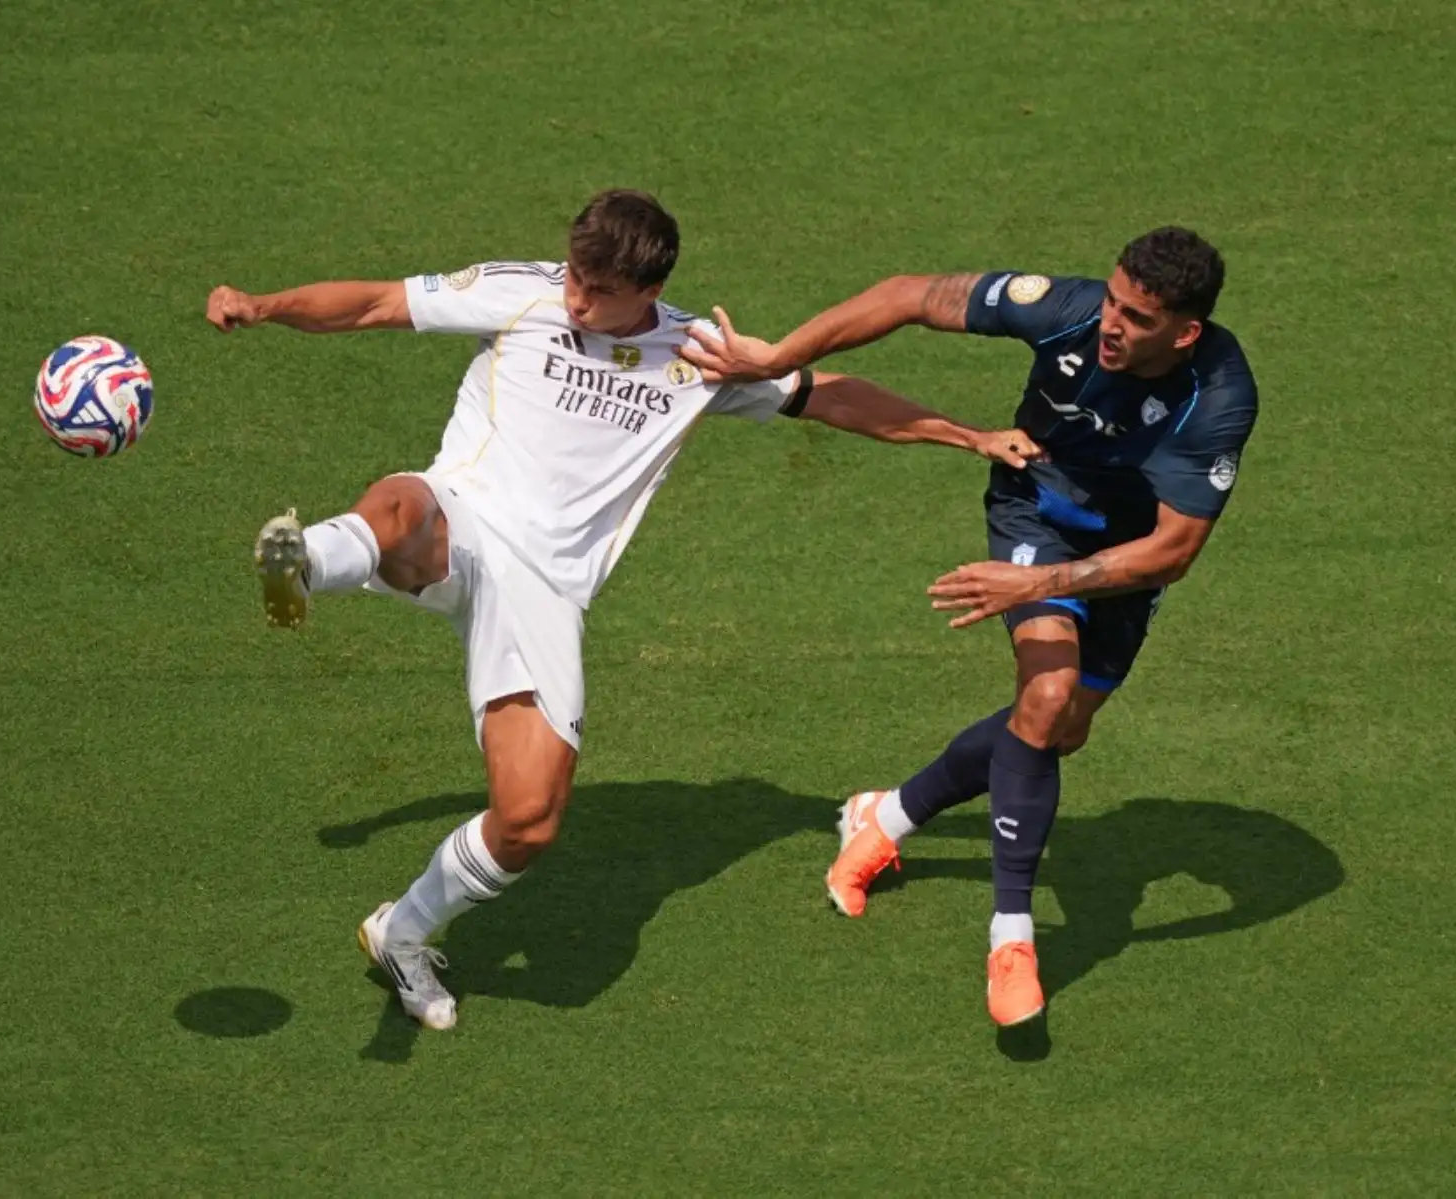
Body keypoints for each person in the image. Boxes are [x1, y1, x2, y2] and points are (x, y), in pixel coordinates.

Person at [204, 189, 1033, 1030]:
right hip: (464, 516)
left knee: (527, 821)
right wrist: (263, 306)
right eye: (573, 276)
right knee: (403, 507)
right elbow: (379, 302)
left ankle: (402, 931)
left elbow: (832, 396)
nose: (574, 299)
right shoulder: (521, 291)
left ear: (648, 289)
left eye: (596, 291)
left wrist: (969, 436)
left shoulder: (699, 358)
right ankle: (307, 560)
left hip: (546, 589)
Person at [680, 227, 1259, 1026]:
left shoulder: (1218, 395)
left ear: (1184, 332)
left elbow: (1175, 549)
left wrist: (1037, 583)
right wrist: (776, 357)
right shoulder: (1066, 310)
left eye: (1136, 316)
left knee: (1057, 731)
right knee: (1047, 692)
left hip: (1126, 556)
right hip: (1036, 507)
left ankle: (884, 816)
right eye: (1113, 300)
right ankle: (1012, 937)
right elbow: (909, 294)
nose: (1110, 324)